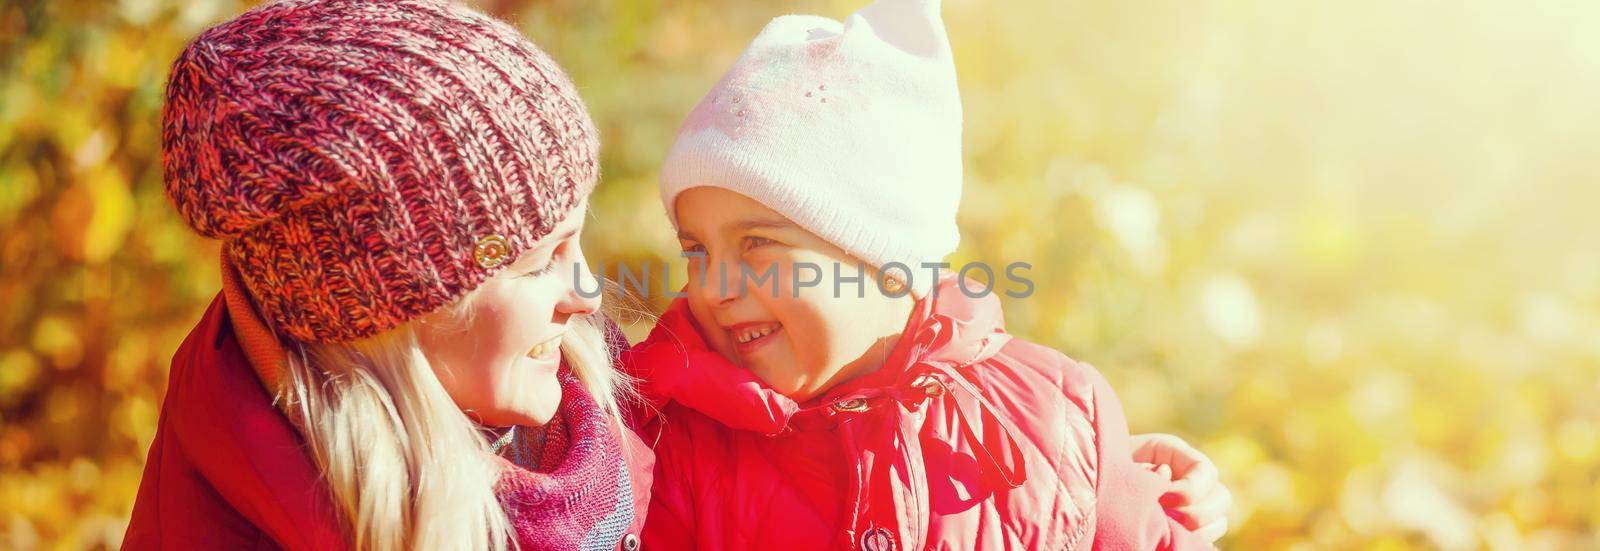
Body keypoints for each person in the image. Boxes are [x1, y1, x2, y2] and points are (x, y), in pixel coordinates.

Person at [624, 0, 1229, 548]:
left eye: (756, 243)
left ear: (886, 259)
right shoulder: (668, 447)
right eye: (696, 250)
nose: (712, 287)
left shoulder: (1057, 421)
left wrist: (1147, 496)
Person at [122, 0, 648, 549]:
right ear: (380, 322)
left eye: (576, 240)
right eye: (538, 263)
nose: (588, 294)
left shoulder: (579, 399)